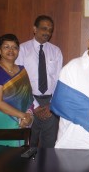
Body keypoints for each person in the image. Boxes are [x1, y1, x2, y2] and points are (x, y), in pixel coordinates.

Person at [16, 15, 63, 148]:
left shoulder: (56, 51)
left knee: (50, 146)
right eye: (44, 28)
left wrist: (51, 105)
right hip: (28, 101)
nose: (47, 32)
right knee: (28, 146)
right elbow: (20, 82)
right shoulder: (22, 50)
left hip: (50, 104)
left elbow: (59, 80)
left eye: (50, 30)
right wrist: (35, 106)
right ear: (34, 29)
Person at [0, 34, 34, 147]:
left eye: (14, 47)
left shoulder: (22, 70)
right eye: (6, 47)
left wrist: (29, 116)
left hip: (22, 122)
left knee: (18, 159)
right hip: (1, 120)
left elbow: (28, 98)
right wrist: (22, 115)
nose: (11, 50)